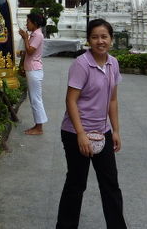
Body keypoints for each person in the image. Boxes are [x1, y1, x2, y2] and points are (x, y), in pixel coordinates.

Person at [56, 19, 127, 229]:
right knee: (76, 184)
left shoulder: (113, 63)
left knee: (110, 184)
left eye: (104, 36)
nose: (100, 41)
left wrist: (115, 130)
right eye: (95, 37)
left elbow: (112, 99)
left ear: (111, 40)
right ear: (88, 40)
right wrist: (80, 134)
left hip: (102, 131)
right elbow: (71, 100)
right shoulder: (81, 64)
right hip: (75, 132)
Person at [18, 12, 48, 135]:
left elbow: (30, 51)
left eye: (28, 22)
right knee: (34, 98)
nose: (26, 24)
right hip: (31, 69)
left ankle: (39, 127)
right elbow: (26, 52)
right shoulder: (34, 34)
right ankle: (38, 125)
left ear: (34, 23)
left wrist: (25, 38)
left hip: (34, 69)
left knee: (36, 99)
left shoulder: (38, 35)